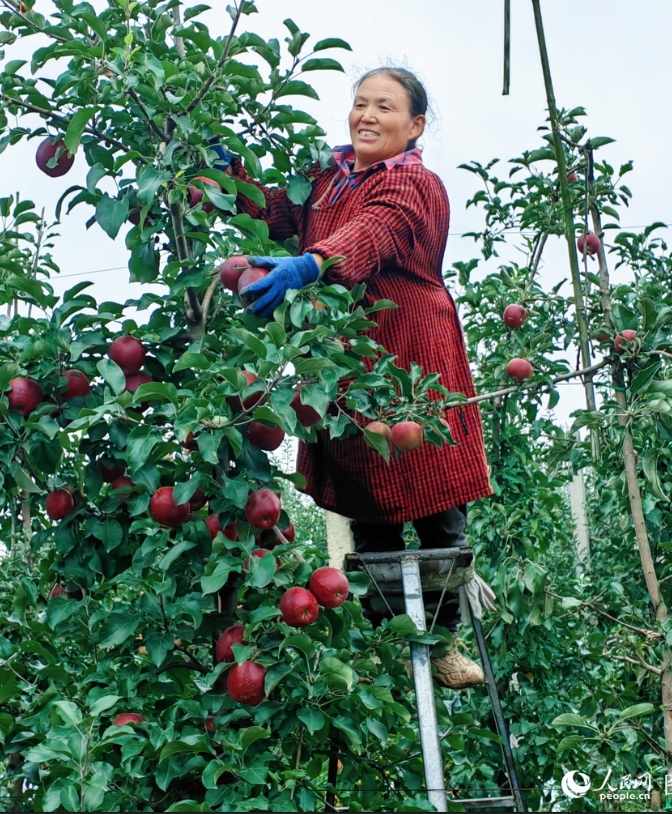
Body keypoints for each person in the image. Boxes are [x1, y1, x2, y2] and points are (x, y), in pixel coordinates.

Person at [226, 67, 494, 688]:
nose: (368, 116)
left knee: (434, 502)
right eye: (360, 104)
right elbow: (274, 212)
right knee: (369, 504)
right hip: (346, 362)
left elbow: (373, 232)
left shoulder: (415, 184)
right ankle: (390, 639)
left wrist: (311, 263)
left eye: (385, 107)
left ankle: (443, 639)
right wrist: (224, 168)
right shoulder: (328, 178)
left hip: (413, 355)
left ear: (415, 125)